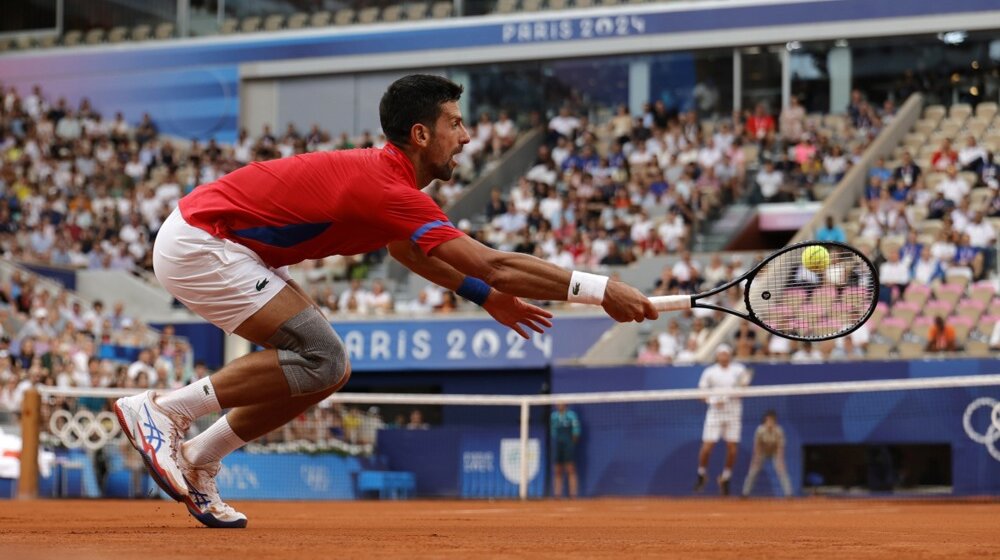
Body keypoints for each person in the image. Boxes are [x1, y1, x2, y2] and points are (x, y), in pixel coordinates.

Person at [114, 75, 658, 528]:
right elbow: (492, 260)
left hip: (219, 244)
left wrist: (487, 297)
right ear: (421, 134)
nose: (466, 137)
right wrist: (599, 288)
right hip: (203, 240)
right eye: (456, 124)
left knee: (327, 370)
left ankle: (199, 457)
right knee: (321, 355)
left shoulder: (396, 188)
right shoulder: (387, 188)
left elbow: (410, 254)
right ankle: (162, 411)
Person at [695, 344, 751, 496]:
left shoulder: (739, 369)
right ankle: (701, 473)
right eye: (721, 354)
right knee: (707, 447)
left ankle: (725, 477)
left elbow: (744, 387)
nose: (724, 357)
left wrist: (740, 389)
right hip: (715, 414)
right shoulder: (709, 372)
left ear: (730, 355)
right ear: (717, 356)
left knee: (732, 449)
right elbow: (701, 395)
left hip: (733, 413)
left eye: (726, 354)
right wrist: (713, 401)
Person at [741, 410, 792, 497]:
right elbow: (757, 446)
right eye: (768, 420)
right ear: (765, 420)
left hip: (775, 452)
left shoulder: (779, 430)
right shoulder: (760, 430)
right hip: (762, 452)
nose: (770, 422)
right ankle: (745, 493)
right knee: (753, 471)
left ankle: (789, 494)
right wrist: (756, 458)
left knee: (782, 471)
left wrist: (780, 460)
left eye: (772, 420)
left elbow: (780, 447)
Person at [550, 403, 581, 498]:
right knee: (557, 469)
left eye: (561, 403)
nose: (559, 405)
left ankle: (573, 494)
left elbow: (576, 431)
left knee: (570, 468)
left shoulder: (571, 415)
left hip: (568, 444)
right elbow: (553, 431)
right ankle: (557, 494)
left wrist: (571, 444)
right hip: (558, 445)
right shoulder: (554, 416)